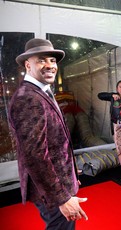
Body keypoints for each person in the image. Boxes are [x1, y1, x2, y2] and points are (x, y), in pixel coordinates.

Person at [8, 38, 88, 229]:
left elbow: (54, 143)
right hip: (52, 194)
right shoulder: (28, 98)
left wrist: (68, 170)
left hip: (57, 183)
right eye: (42, 60)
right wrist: (62, 198)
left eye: (52, 60)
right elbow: (35, 156)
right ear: (28, 65)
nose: (50, 65)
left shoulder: (40, 91)